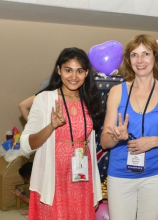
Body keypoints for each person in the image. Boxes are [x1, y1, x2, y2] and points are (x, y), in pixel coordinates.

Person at [100, 34, 158, 220]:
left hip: (156, 174)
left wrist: (156, 141)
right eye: (134, 55)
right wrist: (116, 137)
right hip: (120, 174)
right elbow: (104, 142)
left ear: (155, 57)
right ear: (128, 60)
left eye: (146, 54)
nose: (140, 60)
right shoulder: (117, 92)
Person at [20, 47, 103, 220]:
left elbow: (91, 148)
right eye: (68, 70)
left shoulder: (90, 101)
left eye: (79, 71)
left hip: (81, 178)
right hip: (54, 178)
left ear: (87, 73)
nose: (74, 76)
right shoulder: (44, 99)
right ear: (59, 70)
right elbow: (26, 146)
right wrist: (51, 126)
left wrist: (94, 188)